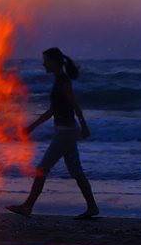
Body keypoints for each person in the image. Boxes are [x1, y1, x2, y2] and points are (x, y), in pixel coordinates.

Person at [7, 47, 99, 220]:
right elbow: (52, 110)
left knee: (42, 169)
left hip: (66, 133)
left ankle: (28, 206)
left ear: (54, 62)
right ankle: (92, 207)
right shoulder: (59, 80)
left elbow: (73, 104)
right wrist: (32, 126)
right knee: (76, 171)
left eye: (46, 60)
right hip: (66, 131)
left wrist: (84, 125)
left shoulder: (63, 81)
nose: (43, 64)